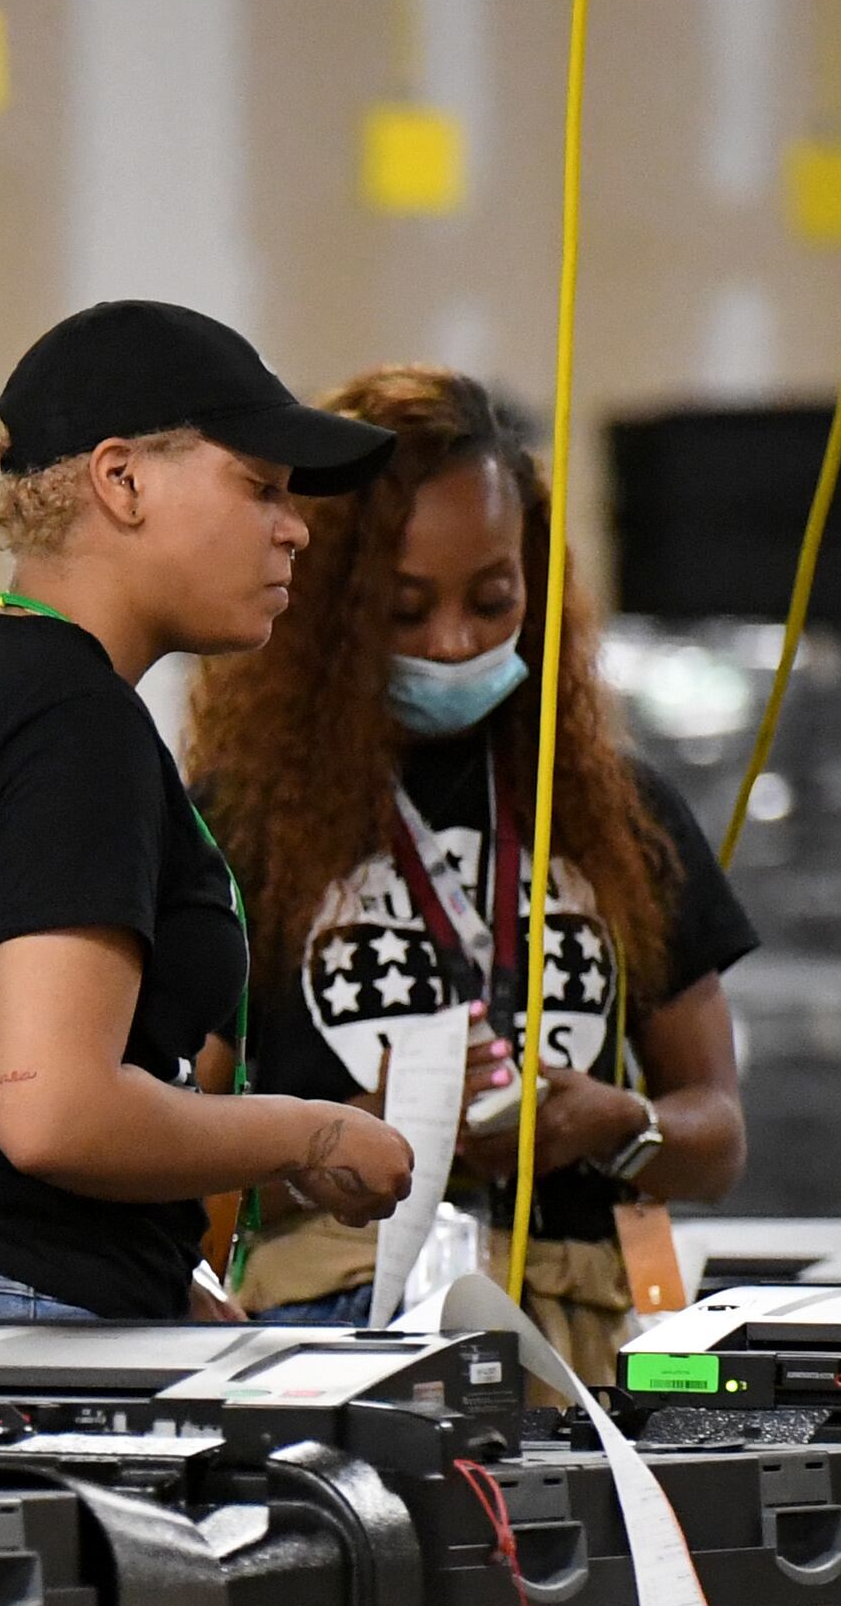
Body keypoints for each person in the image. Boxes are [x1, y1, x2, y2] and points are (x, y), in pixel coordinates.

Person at [0, 300, 417, 1382]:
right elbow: (54, 1112)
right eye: (262, 488)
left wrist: (115, 1254)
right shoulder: (78, 722)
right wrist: (311, 1135)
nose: (294, 528)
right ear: (122, 480)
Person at [184, 365, 754, 1381]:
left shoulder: (619, 815)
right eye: (405, 613)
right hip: (347, 1333)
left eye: (493, 601)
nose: (453, 644)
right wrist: (332, 1140)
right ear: (328, 607)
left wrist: (620, 1125)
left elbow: (716, 1135)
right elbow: (171, 1141)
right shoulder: (244, 825)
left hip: (595, 1331)